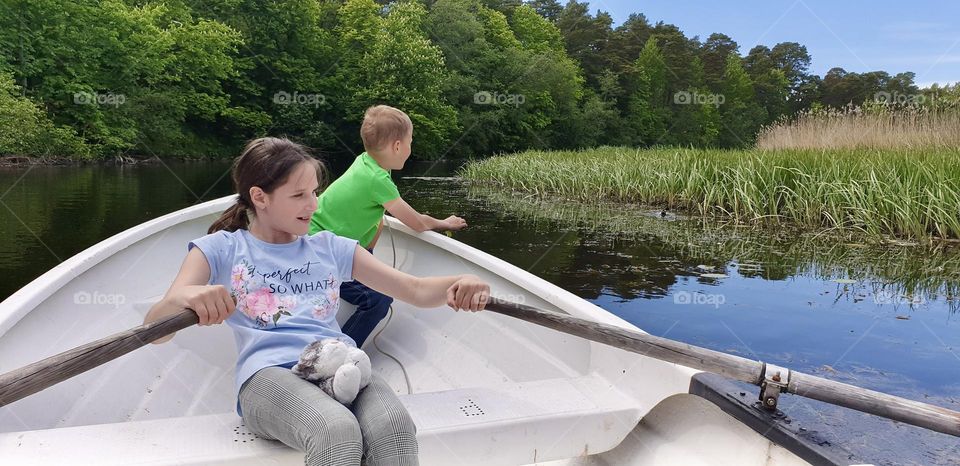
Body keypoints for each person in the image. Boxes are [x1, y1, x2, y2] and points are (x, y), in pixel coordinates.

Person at [143, 137, 490, 466]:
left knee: (395, 427)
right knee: (335, 429)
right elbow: (155, 329)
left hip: (341, 361)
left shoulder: (330, 246)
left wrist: (461, 282)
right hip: (267, 374)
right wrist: (188, 296)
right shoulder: (222, 248)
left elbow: (413, 289)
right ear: (260, 197)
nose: (313, 205)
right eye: (299, 195)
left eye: (314, 193)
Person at [310, 105, 467, 347]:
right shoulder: (378, 180)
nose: (410, 148)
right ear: (397, 146)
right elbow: (417, 223)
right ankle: (335, 352)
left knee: (377, 244)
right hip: (323, 253)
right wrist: (445, 222)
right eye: (410, 142)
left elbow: (375, 216)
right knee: (379, 300)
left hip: (316, 240)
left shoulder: (365, 162)